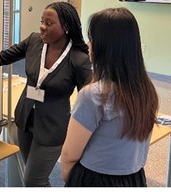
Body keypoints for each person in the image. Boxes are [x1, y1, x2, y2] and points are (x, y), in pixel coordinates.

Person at [0, 2, 91, 187]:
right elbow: (1, 57)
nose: (42, 26)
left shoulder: (78, 58)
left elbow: (88, 101)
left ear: (66, 27)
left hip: (53, 128)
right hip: (25, 118)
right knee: (35, 176)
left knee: (32, 180)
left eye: (49, 23)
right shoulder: (34, 41)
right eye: (41, 21)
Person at [61, 7, 159, 187]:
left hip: (95, 179)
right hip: (134, 179)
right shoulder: (146, 89)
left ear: (104, 46)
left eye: (91, 38)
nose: (88, 44)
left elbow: (69, 155)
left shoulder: (93, 95)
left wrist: (71, 180)